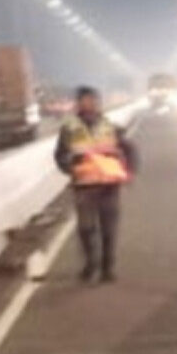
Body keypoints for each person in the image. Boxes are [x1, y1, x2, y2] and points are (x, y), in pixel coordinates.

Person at [54, 86, 137, 281]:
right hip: (84, 187)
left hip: (109, 187)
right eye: (84, 100)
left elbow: (130, 150)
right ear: (78, 103)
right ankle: (90, 265)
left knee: (108, 230)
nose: (88, 103)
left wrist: (129, 172)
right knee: (86, 229)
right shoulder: (69, 129)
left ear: (98, 102)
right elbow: (59, 155)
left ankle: (107, 268)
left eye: (92, 100)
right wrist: (70, 168)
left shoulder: (110, 127)